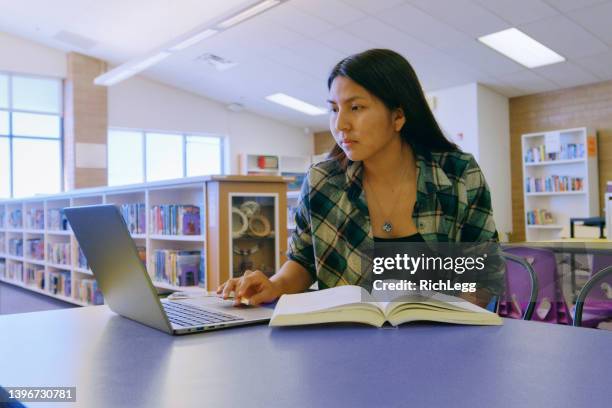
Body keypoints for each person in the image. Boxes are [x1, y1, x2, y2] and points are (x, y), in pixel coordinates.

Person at [217, 49, 504, 308]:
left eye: (356, 108)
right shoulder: (322, 182)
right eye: (334, 109)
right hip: (348, 343)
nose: (340, 124)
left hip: (441, 346)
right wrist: (275, 284)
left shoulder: (457, 174)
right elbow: (304, 262)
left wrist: (450, 321)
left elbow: (483, 275)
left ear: (398, 116)